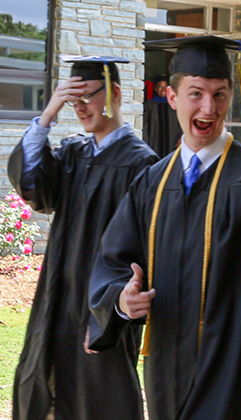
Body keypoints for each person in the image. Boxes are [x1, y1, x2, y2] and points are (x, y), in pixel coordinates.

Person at [88, 36, 241, 420]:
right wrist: (121, 301)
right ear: (171, 96)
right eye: (195, 93)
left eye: (220, 94)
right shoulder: (152, 183)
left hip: (234, 372)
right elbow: (114, 261)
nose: (209, 107)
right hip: (164, 372)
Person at [8, 55, 158, 420]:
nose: (81, 108)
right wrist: (47, 115)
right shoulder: (75, 152)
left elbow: (143, 250)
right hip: (57, 298)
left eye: (88, 97)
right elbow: (34, 188)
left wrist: (109, 314)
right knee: (44, 382)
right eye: (74, 101)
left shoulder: (142, 163)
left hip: (102, 305)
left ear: (116, 93)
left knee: (100, 397)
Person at [143, 74, 182, 158]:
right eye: (160, 87)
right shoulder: (150, 104)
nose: (163, 90)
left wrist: (181, 137)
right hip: (155, 140)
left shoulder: (174, 104)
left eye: (165, 87)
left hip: (172, 139)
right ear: (155, 89)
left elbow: (181, 121)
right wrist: (146, 141)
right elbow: (146, 124)